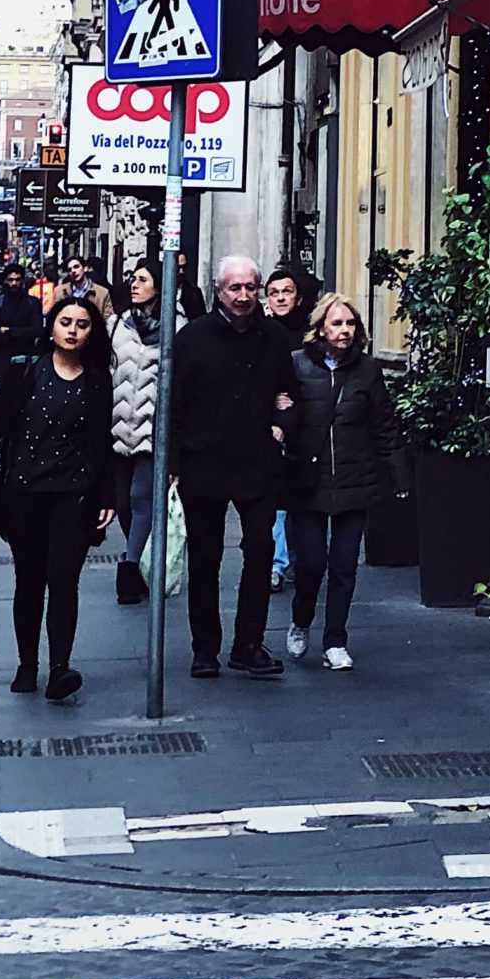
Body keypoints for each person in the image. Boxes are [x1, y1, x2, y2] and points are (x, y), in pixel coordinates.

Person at [0, 300, 116, 700]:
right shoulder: (26, 370)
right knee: (29, 582)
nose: (73, 330)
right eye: (66, 323)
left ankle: (60, 667)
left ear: (91, 332)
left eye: (82, 324)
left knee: (64, 580)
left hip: (73, 496)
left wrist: (107, 495)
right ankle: (28, 665)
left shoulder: (97, 382)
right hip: (23, 494)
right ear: (53, 328)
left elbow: (101, 443)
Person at [168, 255, 296, 679]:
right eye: (234, 288)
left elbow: (290, 393)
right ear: (218, 290)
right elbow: (174, 403)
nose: (243, 296)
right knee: (204, 557)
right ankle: (205, 647)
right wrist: (172, 462)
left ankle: (248, 643)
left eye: (249, 288)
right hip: (203, 462)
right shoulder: (192, 338)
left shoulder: (275, 337)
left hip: (257, 462)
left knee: (260, 550)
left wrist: (280, 425)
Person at [283, 296, 409, 670]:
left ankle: (335, 640)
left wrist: (399, 474)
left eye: (350, 324)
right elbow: (282, 415)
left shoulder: (368, 370)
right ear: (321, 327)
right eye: (337, 324)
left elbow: (384, 424)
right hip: (309, 481)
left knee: (344, 565)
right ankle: (301, 620)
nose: (344, 331)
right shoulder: (298, 365)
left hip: (356, 479)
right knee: (310, 563)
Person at [109, 263, 182, 606]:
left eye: (142, 280)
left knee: (141, 499)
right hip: (118, 428)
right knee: (123, 504)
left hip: (156, 432)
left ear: (160, 286)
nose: (134, 285)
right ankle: (138, 558)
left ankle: (130, 566)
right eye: (133, 280)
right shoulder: (116, 326)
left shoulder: (179, 328)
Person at [262, 270, 310, 589]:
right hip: (271, 424)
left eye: (286, 292)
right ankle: (278, 563)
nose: (280, 297)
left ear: (298, 298)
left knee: (301, 496)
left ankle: (298, 558)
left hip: (306, 423)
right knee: (276, 498)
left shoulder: (310, 335)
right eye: (274, 292)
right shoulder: (260, 333)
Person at [0, 266, 44, 393]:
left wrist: (10, 331)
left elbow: (37, 330)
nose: (14, 283)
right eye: (10, 280)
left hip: (25, 361)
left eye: (17, 279)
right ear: (5, 281)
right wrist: (23, 333)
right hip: (2, 362)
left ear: (22, 281)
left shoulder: (33, 303)